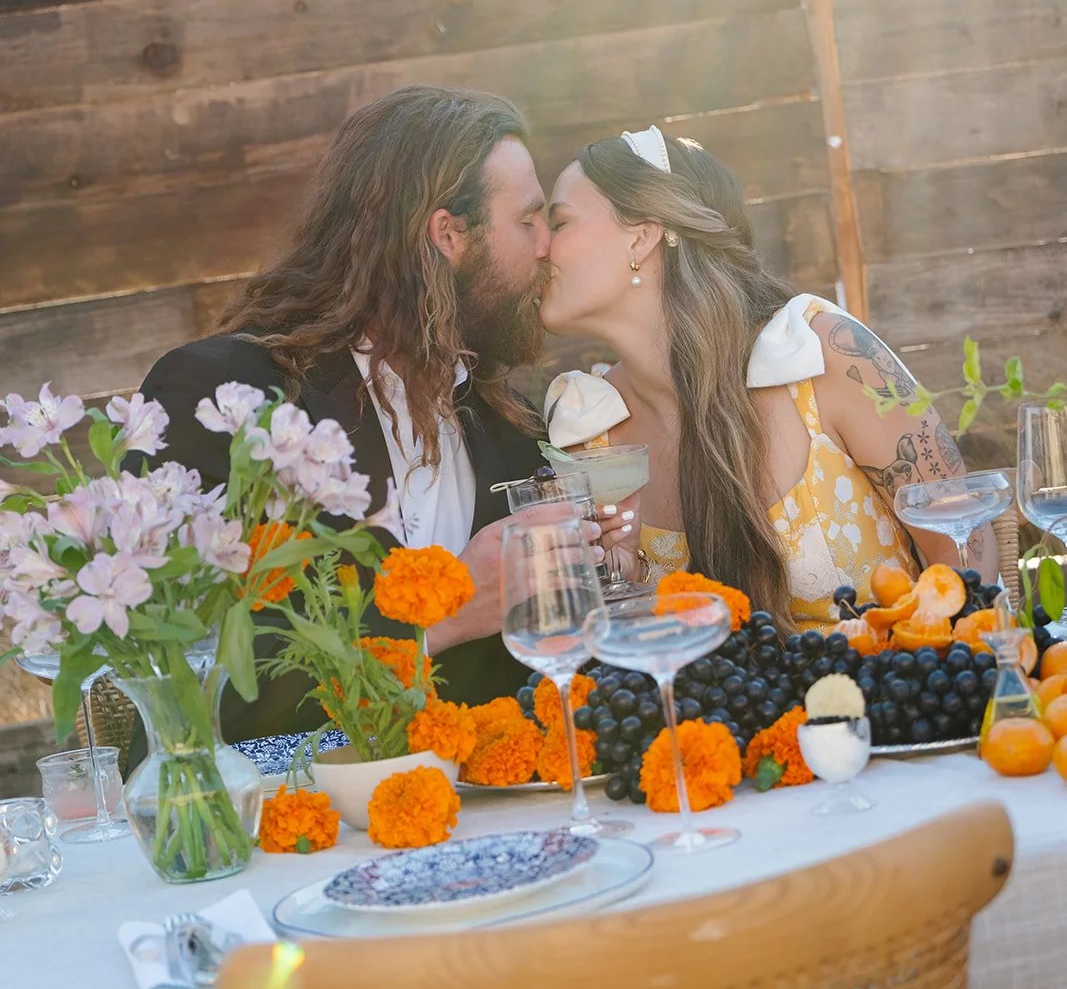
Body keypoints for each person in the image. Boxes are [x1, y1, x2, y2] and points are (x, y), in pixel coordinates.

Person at [132, 86, 616, 739]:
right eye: (527, 221)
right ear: (448, 234)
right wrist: (447, 615)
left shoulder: (510, 427)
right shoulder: (226, 399)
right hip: (266, 821)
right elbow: (191, 685)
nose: (543, 249)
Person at [538, 124, 997, 632]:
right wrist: (625, 583)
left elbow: (968, 558)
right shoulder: (592, 436)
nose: (539, 247)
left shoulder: (824, 355)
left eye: (559, 223)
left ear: (642, 236)